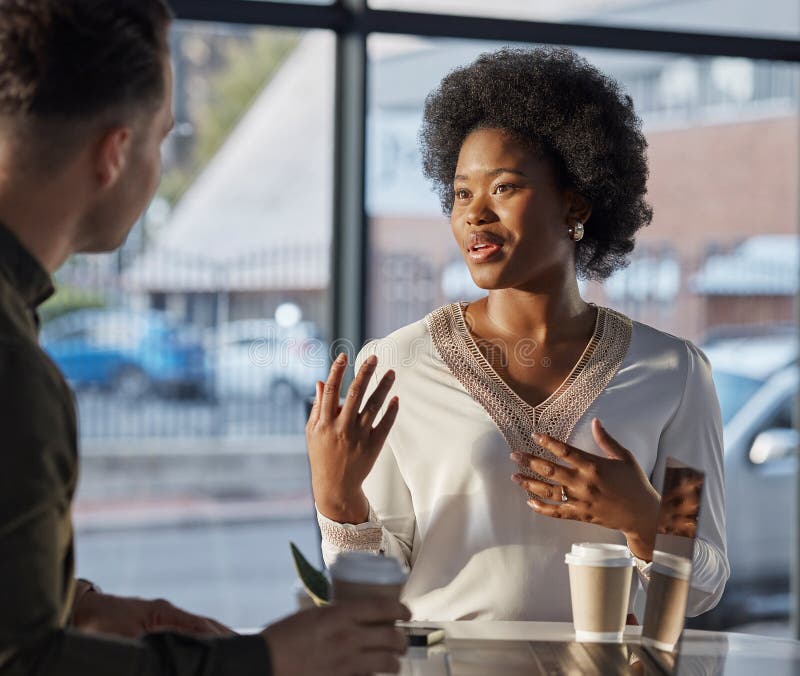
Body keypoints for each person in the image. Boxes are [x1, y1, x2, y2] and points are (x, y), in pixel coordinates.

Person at [0, 1, 408, 674]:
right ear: (115, 153)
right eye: (163, 138)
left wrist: (77, 607)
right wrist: (266, 659)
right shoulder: (16, 373)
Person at [307, 47, 729, 622]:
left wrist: (643, 518)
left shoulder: (674, 372)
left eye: (503, 187)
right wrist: (338, 498)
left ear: (574, 203)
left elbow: (701, 587)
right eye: (461, 193)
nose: (475, 214)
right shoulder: (397, 363)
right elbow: (378, 588)